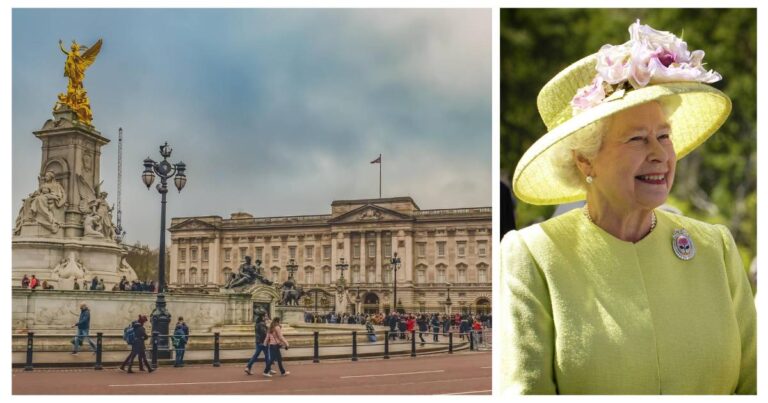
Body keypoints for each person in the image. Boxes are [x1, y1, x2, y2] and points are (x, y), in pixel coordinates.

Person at [501, 20, 756, 395]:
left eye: (664, 136)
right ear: (585, 161)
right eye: (637, 139)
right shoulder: (534, 255)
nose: (660, 155)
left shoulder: (715, 247)